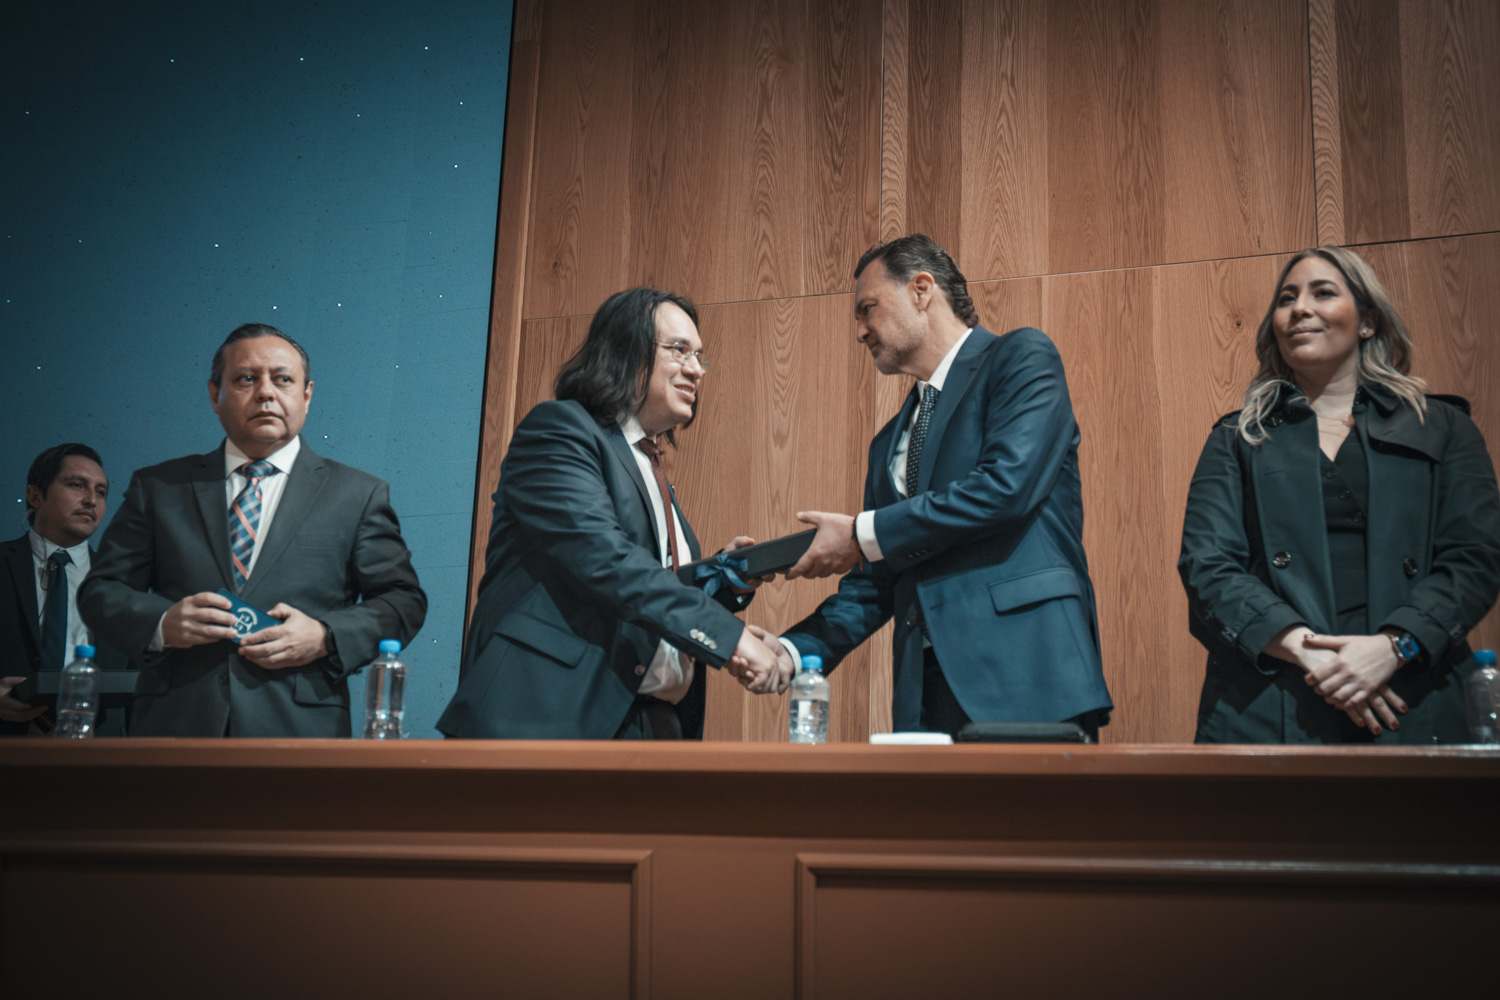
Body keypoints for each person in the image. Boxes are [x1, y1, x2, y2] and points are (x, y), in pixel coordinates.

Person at [769, 234, 1112, 738]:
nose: (860, 331)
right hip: (925, 691)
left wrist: (862, 533)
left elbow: (1005, 487)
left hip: (1027, 670)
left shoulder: (1021, 357)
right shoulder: (887, 442)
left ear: (922, 289)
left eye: (868, 309)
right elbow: (877, 579)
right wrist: (792, 651)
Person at [1179, 246, 1500, 743]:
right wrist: (1311, 653)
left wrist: (1394, 647)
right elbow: (1207, 565)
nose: (1299, 309)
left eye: (1323, 293)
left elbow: (1475, 558)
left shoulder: (1443, 427)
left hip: (1412, 692)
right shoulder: (1236, 437)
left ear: (1367, 321)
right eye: (1286, 299)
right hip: (1271, 701)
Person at [438, 287, 785, 740]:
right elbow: (605, 560)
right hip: (544, 719)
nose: (696, 369)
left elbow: (650, 587)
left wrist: (723, 578)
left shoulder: (650, 464)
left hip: (650, 723)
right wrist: (728, 636)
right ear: (627, 351)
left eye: (701, 357)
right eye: (679, 350)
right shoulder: (559, 431)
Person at [79, 324, 427, 737]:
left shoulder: (357, 494)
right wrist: (162, 623)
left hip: (300, 730)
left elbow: (402, 601)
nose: (265, 393)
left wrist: (325, 636)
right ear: (214, 395)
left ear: (306, 395)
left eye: (282, 379)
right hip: (176, 722)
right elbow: (101, 590)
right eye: (246, 379)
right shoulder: (159, 487)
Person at [1, 444, 130, 736]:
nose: (91, 500)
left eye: (101, 492)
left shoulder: (123, 584)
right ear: (35, 496)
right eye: (76, 485)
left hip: (99, 749)